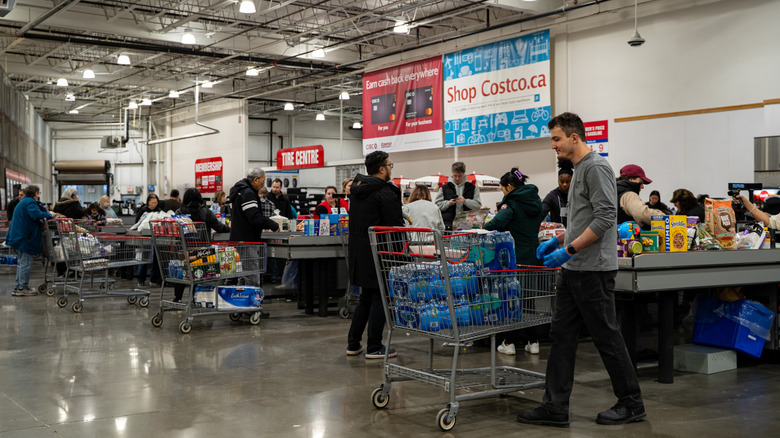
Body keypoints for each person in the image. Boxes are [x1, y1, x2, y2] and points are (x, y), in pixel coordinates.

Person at [518, 112, 645, 428]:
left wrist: (569, 250)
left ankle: (632, 403)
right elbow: (581, 222)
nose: (553, 145)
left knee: (606, 337)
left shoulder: (597, 167)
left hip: (594, 270)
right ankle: (555, 406)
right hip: (575, 269)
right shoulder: (576, 171)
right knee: (561, 336)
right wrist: (559, 239)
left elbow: (605, 219)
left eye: (557, 139)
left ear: (574, 137)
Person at [347, 151, 404, 359]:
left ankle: (353, 344)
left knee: (366, 298)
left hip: (359, 252)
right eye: (390, 165)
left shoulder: (358, 190)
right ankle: (374, 346)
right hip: (379, 252)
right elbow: (395, 225)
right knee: (381, 297)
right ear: (382, 168)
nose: (391, 168)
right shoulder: (385, 192)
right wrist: (401, 251)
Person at [484, 168, 546, 355]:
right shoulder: (535, 202)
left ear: (509, 187)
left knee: (513, 300)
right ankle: (533, 341)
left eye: (503, 189)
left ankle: (509, 342)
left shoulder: (511, 204)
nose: (503, 193)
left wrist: (485, 225)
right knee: (528, 300)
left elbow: (493, 225)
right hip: (532, 257)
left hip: (514, 258)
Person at [172, 189, 230, 302]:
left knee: (181, 272)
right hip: (201, 249)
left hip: (183, 248)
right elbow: (218, 226)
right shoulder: (206, 211)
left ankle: (178, 298)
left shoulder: (179, 212)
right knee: (198, 273)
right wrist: (229, 228)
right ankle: (195, 298)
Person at [229, 168, 280, 286]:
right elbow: (254, 216)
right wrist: (272, 224)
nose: (264, 183)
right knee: (252, 275)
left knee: (244, 275)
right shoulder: (248, 193)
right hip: (247, 239)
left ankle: (242, 301)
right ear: (255, 179)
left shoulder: (241, 191)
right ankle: (253, 302)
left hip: (240, 238)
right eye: (263, 180)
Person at [6, 185, 58, 296]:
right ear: (35, 193)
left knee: (21, 263)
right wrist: (50, 215)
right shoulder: (30, 202)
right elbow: (35, 214)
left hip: (17, 236)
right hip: (24, 237)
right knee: (25, 263)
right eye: (38, 193)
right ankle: (22, 288)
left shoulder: (24, 201)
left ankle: (19, 287)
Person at [434, 161, 482, 230]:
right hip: (448, 226)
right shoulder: (444, 188)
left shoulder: (473, 188)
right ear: (452, 174)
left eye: (460, 176)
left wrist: (466, 201)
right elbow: (436, 206)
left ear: (464, 174)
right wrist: (448, 203)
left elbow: (478, 205)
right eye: (455, 176)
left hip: (467, 226)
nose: (457, 178)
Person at [616, 164, 663, 228]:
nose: (642, 187)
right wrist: (664, 217)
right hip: (628, 236)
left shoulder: (616, 191)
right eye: (641, 183)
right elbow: (641, 214)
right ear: (631, 179)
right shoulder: (629, 194)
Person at [136, 194, 162, 287]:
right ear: (148, 202)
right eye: (152, 202)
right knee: (143, 259)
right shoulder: (143, 211)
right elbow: (137, 223)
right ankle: (140, 280)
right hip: (144, 238)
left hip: (155, 238)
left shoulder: (159, 211)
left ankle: (153, 280)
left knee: (155, 259)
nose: (154, 204)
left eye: (156, 202)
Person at [542, 160, 573, 226]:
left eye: (567, 182)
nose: (564, 184)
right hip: (558, 232)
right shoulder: (552, 196)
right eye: (562, 181)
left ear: (572, 181)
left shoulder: (577, 194)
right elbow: (541, 212)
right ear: (558, 181)